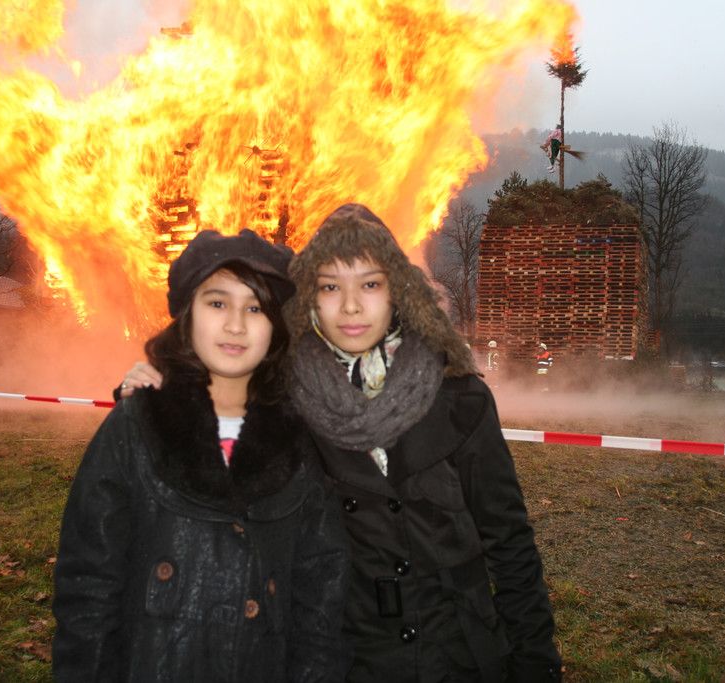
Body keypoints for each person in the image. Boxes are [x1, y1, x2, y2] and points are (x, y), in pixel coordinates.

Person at [121, 206, 561, 682]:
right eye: (331, 287)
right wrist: (158, 394)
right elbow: (209, 445)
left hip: (459, 659)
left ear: (399, 291)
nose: (351, 306)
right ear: (310, 300)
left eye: (369, 284)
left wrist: (536, 666)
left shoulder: (460, 398)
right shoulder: (284, 402)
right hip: (349, 661)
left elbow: (510, 545)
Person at [53, 229, 349, 682]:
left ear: (276, 327)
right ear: (187, 315)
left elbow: (322, 599)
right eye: (217, 303)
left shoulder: (300, 443)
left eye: (255, 308)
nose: (236, 325)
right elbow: (88, 589)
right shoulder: (135, 428)